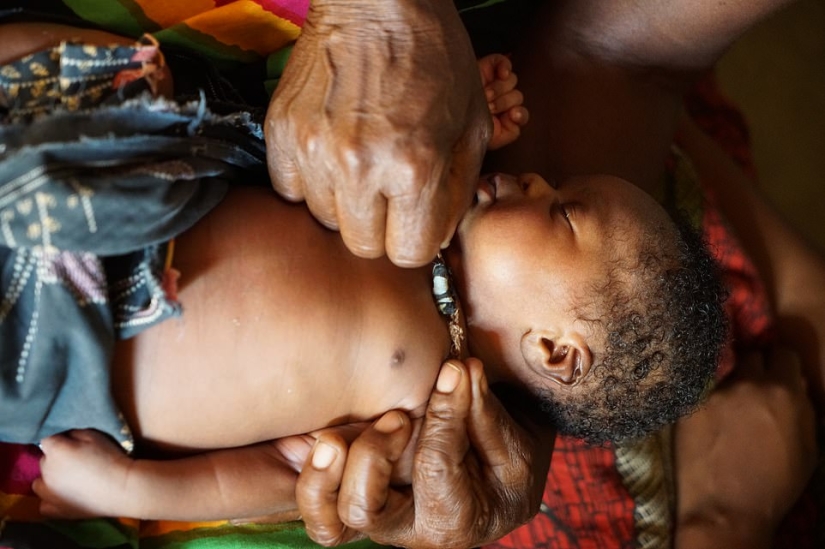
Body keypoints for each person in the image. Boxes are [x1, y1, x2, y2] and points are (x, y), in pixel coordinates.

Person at [0, 27, 729, 523]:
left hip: (63, 347)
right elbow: (367, 132)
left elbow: (284, 472)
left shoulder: (422, 412)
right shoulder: (432, 212)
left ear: (553, 351)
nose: (537, 178)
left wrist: (132, 489)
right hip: (120, 186)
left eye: (562, 211)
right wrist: (458, 119)